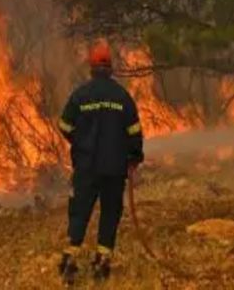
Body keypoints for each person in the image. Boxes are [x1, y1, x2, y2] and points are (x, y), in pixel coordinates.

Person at [57, 39, 144, 284]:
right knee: (110, 212)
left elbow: (64, 125)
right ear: (111, 68)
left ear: (92, 68)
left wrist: (79, 140)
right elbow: (135, 132)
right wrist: (134, 156)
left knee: (80, 212)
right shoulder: (122, 96)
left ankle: (69, 261)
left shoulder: (81, 95)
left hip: (86, 167)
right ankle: (102, 263)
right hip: (114, 169)